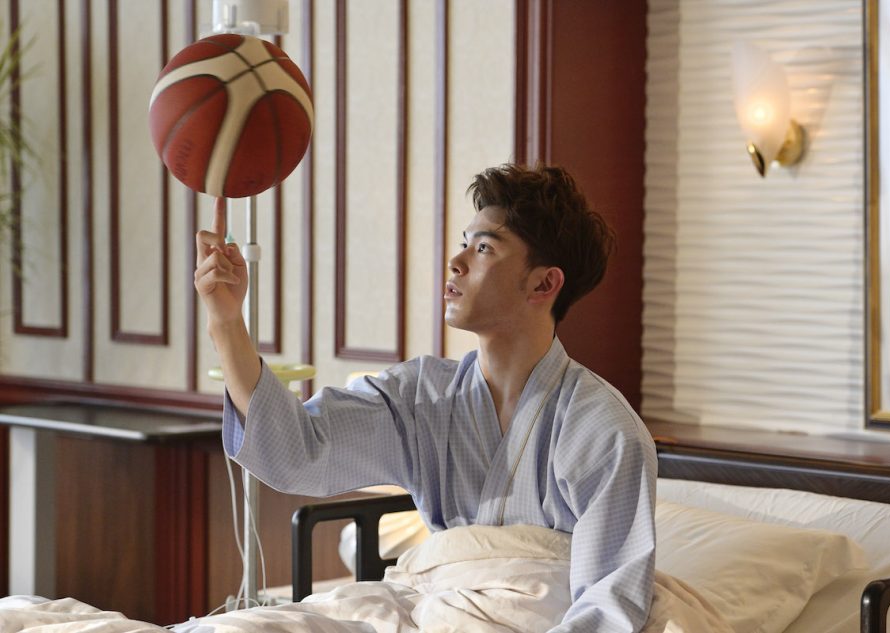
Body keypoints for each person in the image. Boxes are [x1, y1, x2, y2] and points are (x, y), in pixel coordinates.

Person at [194, 163, 657, 632]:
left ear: (544, 284)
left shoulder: (604, 430)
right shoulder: (422, 396)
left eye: (483, 248)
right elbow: (297, 450)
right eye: (464, 242)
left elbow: (607, 609)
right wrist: (227, 322)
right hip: (433, 609)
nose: (456, 261)